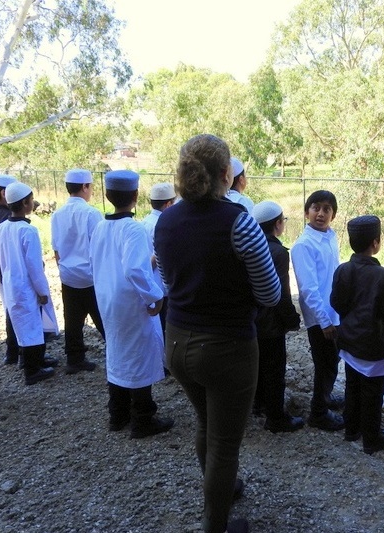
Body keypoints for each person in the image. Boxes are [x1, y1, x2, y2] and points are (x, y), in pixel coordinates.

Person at [155, 134, 280, 533]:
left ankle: (221, 490)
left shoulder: (166, 219)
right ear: (227, 173)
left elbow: (164, 278)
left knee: (207, 424)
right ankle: (217, 524)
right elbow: (271, 292)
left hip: (176, 342)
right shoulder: (238, 221)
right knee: (225, 442)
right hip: (227, 348)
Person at [90, 169, 174, 439]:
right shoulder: (133, 229)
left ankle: (118, 413)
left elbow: (106, 264)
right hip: (131, 303)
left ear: (107, 195)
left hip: (108, 300)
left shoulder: (101, 227)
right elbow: (134, 271)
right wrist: (155, 297)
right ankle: (143, 418)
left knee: (117, 352)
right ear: (136, 196)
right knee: (139, 355)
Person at [330, 215, 384, 454]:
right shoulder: (382, 275)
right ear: (376, 242)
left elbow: (337, 303)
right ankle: (372, 439)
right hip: (373, 345)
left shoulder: (343, 270)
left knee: (352, 385)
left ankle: (352, 430)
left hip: (349, 341)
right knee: (373, 393)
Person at [291, 189, 345, 432]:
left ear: (333, 215)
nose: (320, 213)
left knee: (333, 361)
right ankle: (318, 412)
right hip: (320, 317)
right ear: (306, 212)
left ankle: (326, 396)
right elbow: (308, 289)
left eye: (326, 209)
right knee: (324, 363)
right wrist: (324, 320)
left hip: (334, 311)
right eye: (316, 208)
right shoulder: (303, 245)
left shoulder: (330, 237)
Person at [0, 181, 59, 386]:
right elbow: (34, 266)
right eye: (31, 200)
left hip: (11, 283)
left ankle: (35, 360)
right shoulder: (28, 231)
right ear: (25, 203)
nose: (33, 203)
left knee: (23, 323)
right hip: (26, 285)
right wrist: (42, 290)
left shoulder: (2, 227)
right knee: (32, 324)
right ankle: (33, 370)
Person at [251, 200, 303, 433]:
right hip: (270, 323)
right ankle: (276, 417)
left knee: (259, 366)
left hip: (251, 321)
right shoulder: (278, 252)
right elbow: (282, 292)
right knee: (275, 370)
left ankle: (258, 405)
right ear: (278, 224)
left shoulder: (249, 245)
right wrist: (292, 319)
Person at [50, 168, 105, 374]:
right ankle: (118, 352)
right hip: (90, 276)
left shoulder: (57, 214)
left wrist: (62, 269)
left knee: (72, 320)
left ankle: (74, 358)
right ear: (85, 187)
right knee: (102, 318)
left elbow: (56, 248)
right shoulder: (92, 213)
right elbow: (99, 246)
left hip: (68, 275)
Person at [0, 173, 20, 366]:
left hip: (3, 269)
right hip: (9, 270)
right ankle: (16, 351)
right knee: (15, 310)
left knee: (12, 308)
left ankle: (15, 351)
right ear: (3, 193)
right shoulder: (6, 216)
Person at [140, 181, 177, 336]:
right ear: (168, 204)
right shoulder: (163, 224)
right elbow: (158, 256)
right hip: (161, 286)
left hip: (147, 285)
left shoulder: (143, 222)